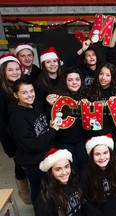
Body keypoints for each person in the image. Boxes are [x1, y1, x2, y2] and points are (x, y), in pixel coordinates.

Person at [8, 78, 59, 203]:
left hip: (45, 157)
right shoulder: (17, 118)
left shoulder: (35, 104)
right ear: (16, 95)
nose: (30, 95)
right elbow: (31, 145)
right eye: (24, 92)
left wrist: (49, 124)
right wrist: (52, 130)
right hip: (33, 163)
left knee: (50, 191)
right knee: (40, 194)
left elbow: (41, 125)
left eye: (31, 91)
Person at [0, 53, 31, 204]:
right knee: (19, 165)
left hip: (26, 132)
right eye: (10, 70)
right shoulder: (1, 93)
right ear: (3, 72)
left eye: (17, 69)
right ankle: (23, 190)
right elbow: (1, 124)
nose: (15, 72)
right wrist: (9, 149)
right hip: (13, 139)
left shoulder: (24, 85)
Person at [46, 66, 91, 172]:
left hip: (83, 140)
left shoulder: (87, 95)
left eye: (77, 79)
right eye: (70, 80)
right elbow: (51, 121)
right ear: (65, 82)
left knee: (85, 169)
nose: (74, 82)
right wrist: (50, 106)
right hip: (64, 141)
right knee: (70, 170)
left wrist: (89, 107)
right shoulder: (56, 97)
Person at [81, 134, 116, 216]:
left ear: (110, 153)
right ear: (91, 156)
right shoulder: (86, 173)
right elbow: (86, 201)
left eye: (105, 153)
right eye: (97, 154)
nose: (102, 157)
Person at [87, 62, 116, 159]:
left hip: (114, 132)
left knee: (115, 159)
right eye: (101, 74)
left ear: (112, 77)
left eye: (108, 75)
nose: (103, 78)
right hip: (96, 132)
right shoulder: (90, 91)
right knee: (99, 160)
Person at [34, 148, 84, 215]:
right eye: (58, 169)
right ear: (51, 172)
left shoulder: (75, 182)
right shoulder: (45, 198)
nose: (64, 172)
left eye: (66, 167)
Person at [34, 47, 62, 119]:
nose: (52, 64)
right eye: (48, 62)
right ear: (43, 65)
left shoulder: (65, 79)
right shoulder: (39, 84)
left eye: (54, 61)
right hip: (50, 119)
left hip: (66, 118)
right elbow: (39, 107)